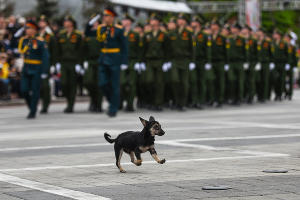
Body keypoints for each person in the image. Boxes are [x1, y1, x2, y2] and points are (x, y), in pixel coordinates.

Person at [97, 7, 128, 117]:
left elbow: (124, 46)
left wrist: (124, 61)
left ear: (112, 17)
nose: (105, 18)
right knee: (102, 84)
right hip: (103, 58)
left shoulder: (119, 29)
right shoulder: (101, 28)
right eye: (104, 16)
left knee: (115, 85)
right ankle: (114, 101)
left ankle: (113, 108)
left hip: (115, 59)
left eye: (107, 16)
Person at [18, 20, 49, 119]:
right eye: (26, 28)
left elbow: (45, 57)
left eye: (29, 28)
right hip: (26, 68)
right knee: (24, 90)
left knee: (35, 91)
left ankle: (33, 110)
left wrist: (44, 71)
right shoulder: (23, 40)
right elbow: (21, 51)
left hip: (37, 68)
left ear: (34, 30)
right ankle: (31, 105)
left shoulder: (40, 41)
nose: (27, 30)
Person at [56, 16, 83, 113]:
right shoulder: (61, 35)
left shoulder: (78, 35)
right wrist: (57, 62)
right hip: (63, 62)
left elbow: (80, 51)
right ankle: (68, 100)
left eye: (67, 21)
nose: (65, 23)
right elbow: (57, 49)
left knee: (72, 84)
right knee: (63, 83)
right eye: (65, 21)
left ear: (72, 23)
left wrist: (79, 64)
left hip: (73, 63)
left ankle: (70, 105)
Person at [141, 13, 168, 111]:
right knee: (149, 81)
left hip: (160, 61)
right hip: (149, 61)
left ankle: (158, 103)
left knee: (159, 83)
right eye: (151, 20)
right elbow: (143, 49)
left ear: (158, 22)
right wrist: (142, 62)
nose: (152, 22)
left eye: (154, 20)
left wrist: (166, 62)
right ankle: (151, 101)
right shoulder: (147, 34)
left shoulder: (163, 34)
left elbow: (167, 49)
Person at [82, 14, 103, 112]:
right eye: (93, 21)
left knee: (99, 84)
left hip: (100, 61)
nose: (94, 23)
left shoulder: (101, 33)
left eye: (96, 21)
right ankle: (93, 100)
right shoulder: (88, 33)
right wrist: (84, 60)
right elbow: (83, 49)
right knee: (88, 82)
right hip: (90, 61)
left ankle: (98, 105)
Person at [120, 13, 140, 112]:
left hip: (132, 61)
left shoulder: (135, 34)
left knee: (132, 84)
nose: (123, 21)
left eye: (125, 20)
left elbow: (140, 49)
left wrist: (138, 62)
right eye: (123, 20)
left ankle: (130, 104)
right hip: (122, 61)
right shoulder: (119, 33)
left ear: (130, 22)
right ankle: (123, 101)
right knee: (122, 83)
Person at [38, 15, 56, 114]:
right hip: (36, 64)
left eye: (43, 21)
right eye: (40, 21)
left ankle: (45, 105)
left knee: (45, 86)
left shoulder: (50, 36)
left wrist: (53, 64)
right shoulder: (36, 35)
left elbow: (54, 51)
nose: (41, 23)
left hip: (46, 64)